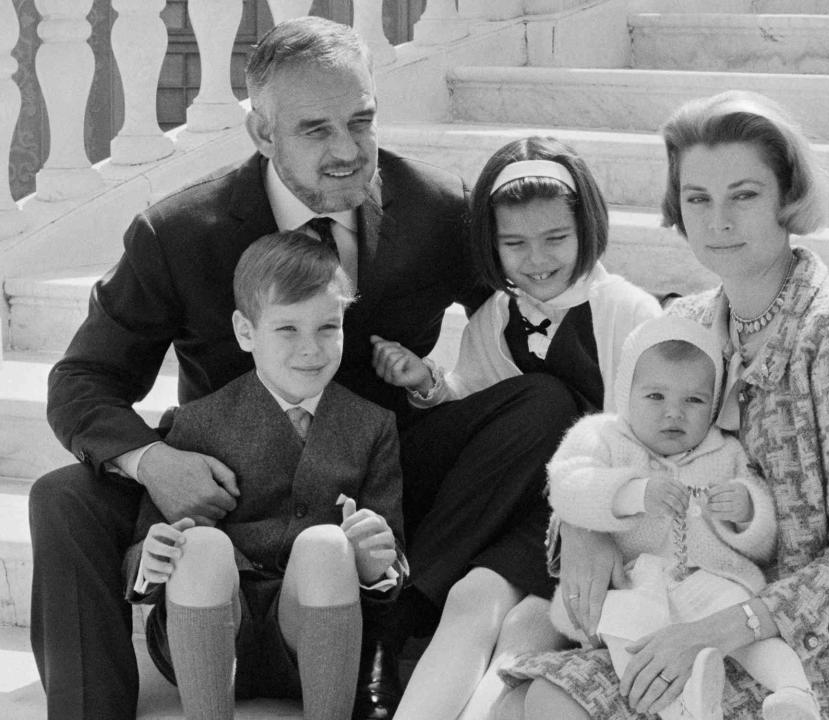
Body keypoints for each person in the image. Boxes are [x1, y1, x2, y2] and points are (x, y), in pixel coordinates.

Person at [26, 15, 548, 720]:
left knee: (547, 406)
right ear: (262, 134)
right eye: (315, 130)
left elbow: (537, 309)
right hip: (226, 488)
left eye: (360, 121)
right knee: (63, 496)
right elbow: (82, 381)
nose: (348, 150)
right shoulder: (178, 234)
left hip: (376, 480)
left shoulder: (438, 211)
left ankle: (398, 622)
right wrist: (155, 464)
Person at [496, 91, 829, 720]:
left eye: (743, 195)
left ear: (787, 197)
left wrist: (719, 629)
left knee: (551, 706)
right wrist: (582, 530)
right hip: (685, 604)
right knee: (519, 701)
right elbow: (611, 454)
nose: (718, 222)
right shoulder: (679, 325)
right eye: (697, 199)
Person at [370, 136, 662, 720]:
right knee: (470, 598)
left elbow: (649, 444)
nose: (537, 259)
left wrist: (592, 523)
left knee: (527, 625)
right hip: (520, 508)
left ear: (587, 229)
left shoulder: (625, 312)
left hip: (595, 517)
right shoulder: (495, 318)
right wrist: (426, 383)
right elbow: (478, 405)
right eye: (515, 243)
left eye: (556, 238)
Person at [124, 231, 407, 720]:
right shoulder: (199, 421)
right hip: (206, 631)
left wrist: (374, 562)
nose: (311, 350)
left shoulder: (372, 425)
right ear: (245, 331)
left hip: (312, 640)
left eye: (327, 328)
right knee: (199, 543)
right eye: (287, 330)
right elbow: (144, 544)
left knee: (326, 543)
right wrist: (151, 558)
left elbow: (391, 557)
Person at [503, 314, 819, 720]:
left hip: (707, 579)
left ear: (714, 404)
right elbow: (567, 485)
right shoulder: (602, 436)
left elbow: (763, 543)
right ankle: (684, 707)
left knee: (740, 615)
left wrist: (745, 512)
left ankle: (793, 694)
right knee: (627, 629)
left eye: (694, 400)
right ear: (625, 393)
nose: (675, 414)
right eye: (656, 397)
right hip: (632, 583)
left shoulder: (724, 453)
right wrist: (633, 493)